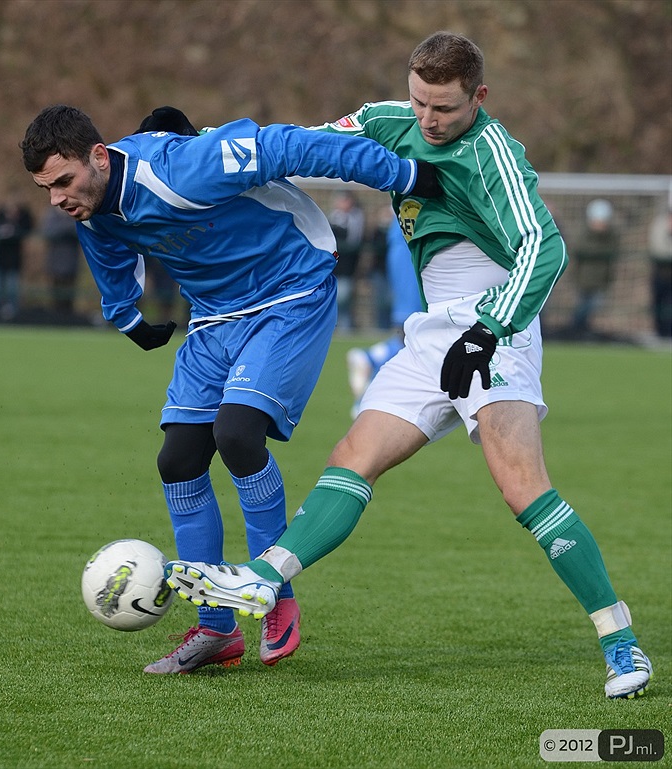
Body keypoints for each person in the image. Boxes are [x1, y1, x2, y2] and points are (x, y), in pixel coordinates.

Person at [165, 32, 652, 700]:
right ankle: (262, 578)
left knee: (521, 486)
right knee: (353, 456)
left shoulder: (493, 154)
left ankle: (619, 636)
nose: (429, 118)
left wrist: (490, 331)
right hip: (430, 334)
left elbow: (544, 247)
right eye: (420, 101)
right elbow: (295, 143)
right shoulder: (385, 123)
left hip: (493, 322)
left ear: (478, 97)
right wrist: (203, 145)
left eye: (445, 108)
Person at [20, 104, 441, 674]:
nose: (57, 199)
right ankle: (216, 629)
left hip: (290, 289)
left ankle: (275, 593)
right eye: (46, 189)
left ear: (98, 157)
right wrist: (127, 317)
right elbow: (110, 251)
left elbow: (292, 146)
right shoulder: (93, 208)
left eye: (63, 182)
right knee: (179, 458)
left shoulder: (183, 166)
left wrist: (403, 174)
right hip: (216, 316)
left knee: (238, 435)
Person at [347, 212, 423, 417]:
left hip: (411, 241)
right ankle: (371, 377)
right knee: (417, 335)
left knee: (416, 335)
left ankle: (373, 357)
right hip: (413, 244)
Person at [569, 198, 621, 337]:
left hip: (601, 279)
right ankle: (576, 328)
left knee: (594, 305)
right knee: (585, 305)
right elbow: (579, 249)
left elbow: (614, 252)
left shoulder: (610, 236)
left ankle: (583, 329)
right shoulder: (584, 234)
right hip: (584, 279)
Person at [0, 195, 34, 320]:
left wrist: (15, 229)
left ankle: (13, 316)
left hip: (14, 260)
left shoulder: (23, 216)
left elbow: (29, 227)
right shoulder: (0, 215)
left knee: (12, 289)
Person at [327, 190, 365, 331]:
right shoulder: (332, 217)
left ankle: (344, 329)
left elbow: (353, 240)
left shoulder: (355, 217)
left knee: (342, 299)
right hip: (331, 269)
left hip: (346, 268)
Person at [41, 203, 81, 315]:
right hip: (55, 260)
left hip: (71, 260)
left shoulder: (74, 213)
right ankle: (55, 316)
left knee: (69, 291)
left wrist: (64, 230)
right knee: (55, 291)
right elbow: (49, 232)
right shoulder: (51, 215)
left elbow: (78, 230)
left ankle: (67, 317)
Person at [648, 204, 672, 339]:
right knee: (658, 303)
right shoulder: (659, 226)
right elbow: (658, 249)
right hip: (660, 272)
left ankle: (668, 333)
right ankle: (660, 333)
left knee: (669, 304)